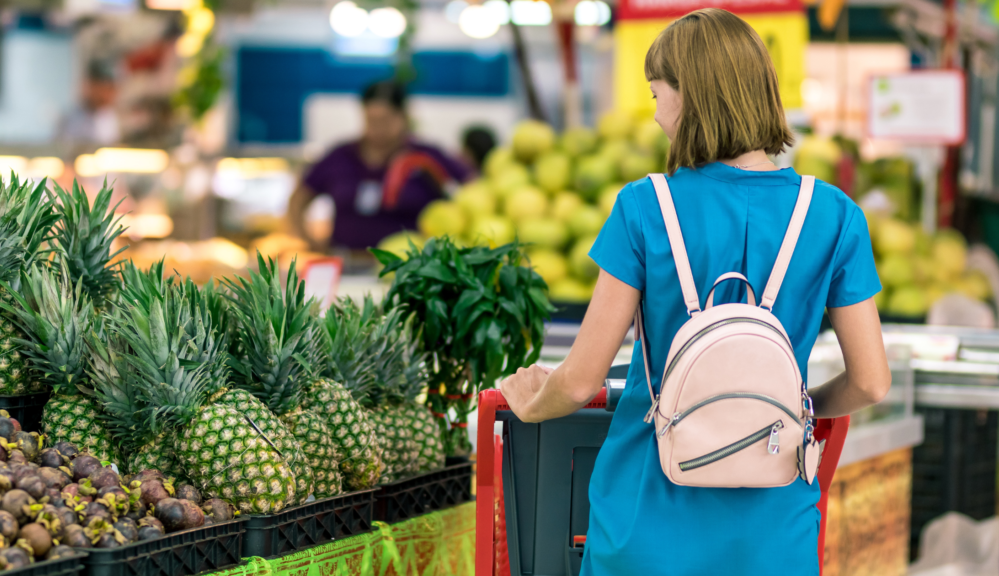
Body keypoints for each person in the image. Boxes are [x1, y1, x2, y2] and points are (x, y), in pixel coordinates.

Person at [499, 9, 891, 575]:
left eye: (657, 93)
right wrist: (793, 410)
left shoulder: (644, 208)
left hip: (646, 520)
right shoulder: (833, 215)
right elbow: (871, 381)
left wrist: (533, 401)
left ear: (692, 97)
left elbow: (583, 377)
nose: (656, 114)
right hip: (773, 528)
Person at [287, 80, 471, 252]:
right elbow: (298, 200)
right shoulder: (340, 156)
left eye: (385, 121)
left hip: (411, 270)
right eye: (371, 121)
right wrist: (311, 243)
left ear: (403, 117)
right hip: (347, 264)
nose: (377, 129)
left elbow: (471, 188)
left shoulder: (426, 157)